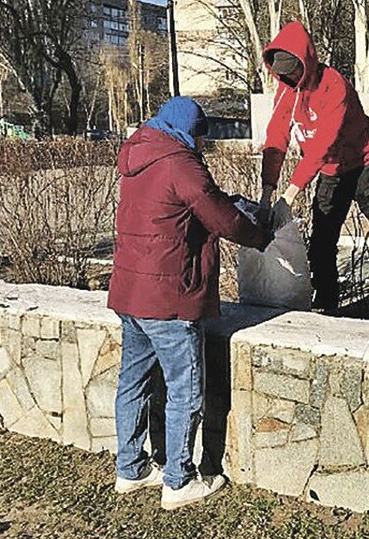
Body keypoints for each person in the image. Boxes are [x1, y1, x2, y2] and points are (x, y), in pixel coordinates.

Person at [107, 96, 270, 510]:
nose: (202, 145)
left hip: (130, 293)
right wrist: (260, 237)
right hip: (168, 298)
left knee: (133, 381)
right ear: (189, 132)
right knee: (185, 388)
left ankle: (130, 468)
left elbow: (186, 206)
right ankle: (178, 480)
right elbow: (220, 217)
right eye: (201, 137)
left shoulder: (138, 154)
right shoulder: (181, 161)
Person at [258, 21, 369, 323]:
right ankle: (328, 308)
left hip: (368, 167)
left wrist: (289, 195)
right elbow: (276, 138)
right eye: (282, 73)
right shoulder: (285, 92)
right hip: (333, 173)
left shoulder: (334, 87)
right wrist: (268, 192)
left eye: (293, 71)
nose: (288, 78)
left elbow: (321, 147)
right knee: (320, 244)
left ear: (306, 62)